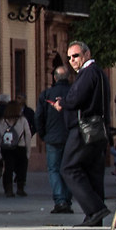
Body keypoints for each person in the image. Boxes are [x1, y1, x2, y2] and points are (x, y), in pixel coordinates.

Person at [59, 40, 111, 227]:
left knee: (68, 168)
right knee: (92, 170)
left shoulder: (88, 73)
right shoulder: (99, 73)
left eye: (76, 56)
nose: (72, 60)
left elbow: (76, 99)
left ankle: (95, 209)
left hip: (84, 129)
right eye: (69, 58)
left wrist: (62, 103)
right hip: (98, 129)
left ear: (87, 54)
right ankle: (94, 217)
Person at [39, 60, 74, 212]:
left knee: (54, 169)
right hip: (71, 136)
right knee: (69, 168)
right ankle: (67, 199)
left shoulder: (47, 94)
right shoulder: (74, 92)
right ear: (69, 77)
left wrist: (43, 134)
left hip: (52, 138)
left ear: (54, 78)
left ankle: (60, 200)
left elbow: (39, 116)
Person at [0, 99, 33, 197]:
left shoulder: (2, 121)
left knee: (8, 168)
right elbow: (28, 135)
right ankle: (20, 188)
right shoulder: (23, 120)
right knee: (22, 168)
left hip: (6, 148)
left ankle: (8, 189)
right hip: (20, 147)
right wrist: (28, 151)